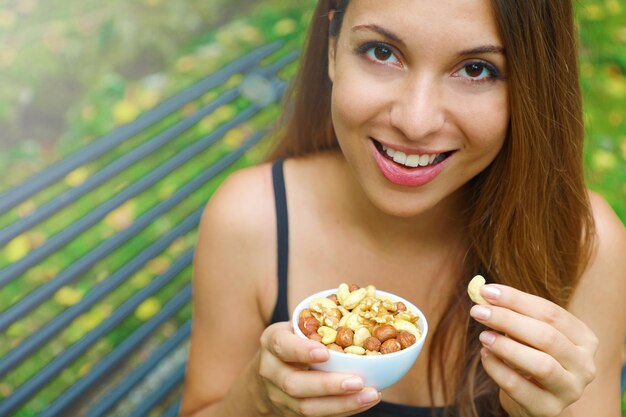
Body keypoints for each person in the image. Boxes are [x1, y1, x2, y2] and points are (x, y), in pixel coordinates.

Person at [179, 0, 626, 416]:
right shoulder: (251, 220)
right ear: (333, 47)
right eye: (381, 51)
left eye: (475, 69)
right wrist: (257, 401)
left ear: (533, 82)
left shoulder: (586, 245)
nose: (415, 121)